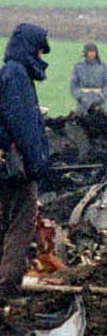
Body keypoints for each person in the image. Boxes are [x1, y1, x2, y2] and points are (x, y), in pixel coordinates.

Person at [0, 23, 54, 295]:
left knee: (5, 224)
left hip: (5, 167)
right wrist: (38, 164)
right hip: (16, 170)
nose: (41, 57)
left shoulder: (8, 73)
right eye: (40, 51)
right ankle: (7, 287)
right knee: (21, 224)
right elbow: (24, 127)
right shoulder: (17, 76)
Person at [69, 42, 107, 114]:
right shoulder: (78, 66)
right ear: (85, 52)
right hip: (83, 101)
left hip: (99, 100)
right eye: (90, 51)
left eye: (93, 51)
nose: (92, 54)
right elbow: (73, 84)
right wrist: (80, 97)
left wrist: (101, 97)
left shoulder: (102, 66)